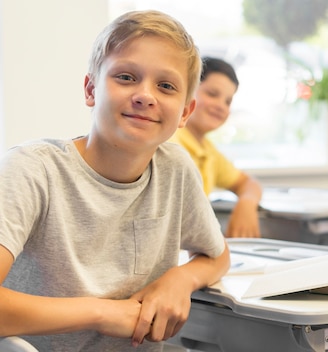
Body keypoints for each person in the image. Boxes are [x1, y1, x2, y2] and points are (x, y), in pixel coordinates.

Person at [0, 10, 230, 351]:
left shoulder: (175, 169)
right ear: (91, 89)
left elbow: (218, 256)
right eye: (125, 77)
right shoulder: (32, 169)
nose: (145, 95)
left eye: (166, 86)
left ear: (184, 112)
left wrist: (180, 279)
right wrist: (101, 313)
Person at [170, 57, 262, 238]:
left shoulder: (208, 150)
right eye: (212, 94)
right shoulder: (168, 143)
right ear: (188, 91)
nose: (220, 105)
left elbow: (248, 183)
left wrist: (247, 203)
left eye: (228, 101)